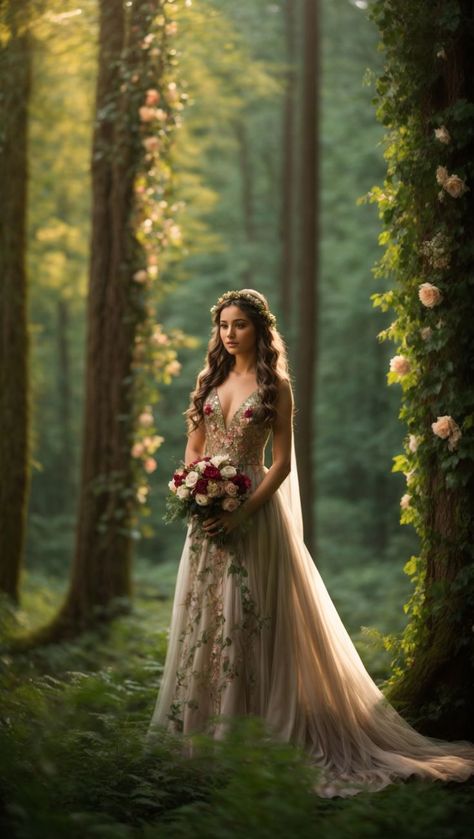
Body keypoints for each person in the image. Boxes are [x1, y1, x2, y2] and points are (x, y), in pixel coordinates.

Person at [148, 288, 474, 797]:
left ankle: (256, 731)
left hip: (255, 514)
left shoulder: (275, 385)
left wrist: (242, 512)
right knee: (209, 615)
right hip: (208, 516)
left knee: (252, 616)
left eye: (239, 325)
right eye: (223, 326)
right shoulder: (208, 381)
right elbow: (194, 445)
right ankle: (206, 734)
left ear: (259, 329)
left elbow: (280, 464)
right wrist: (199, 493)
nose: (229, 334)